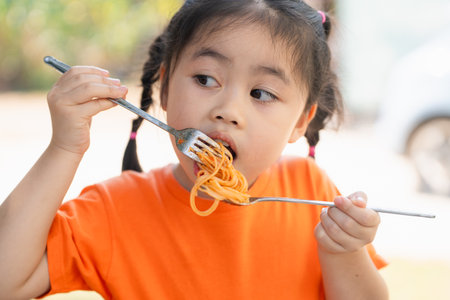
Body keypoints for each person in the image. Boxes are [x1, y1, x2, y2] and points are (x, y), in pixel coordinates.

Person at [0, 0, 389, 299]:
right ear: (165, 87)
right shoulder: (115, 211)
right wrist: (65, 147)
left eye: (261, 93)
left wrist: (345, 252)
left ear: (301, 121)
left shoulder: (310, 194)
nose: (227, 111)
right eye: (205, 79)